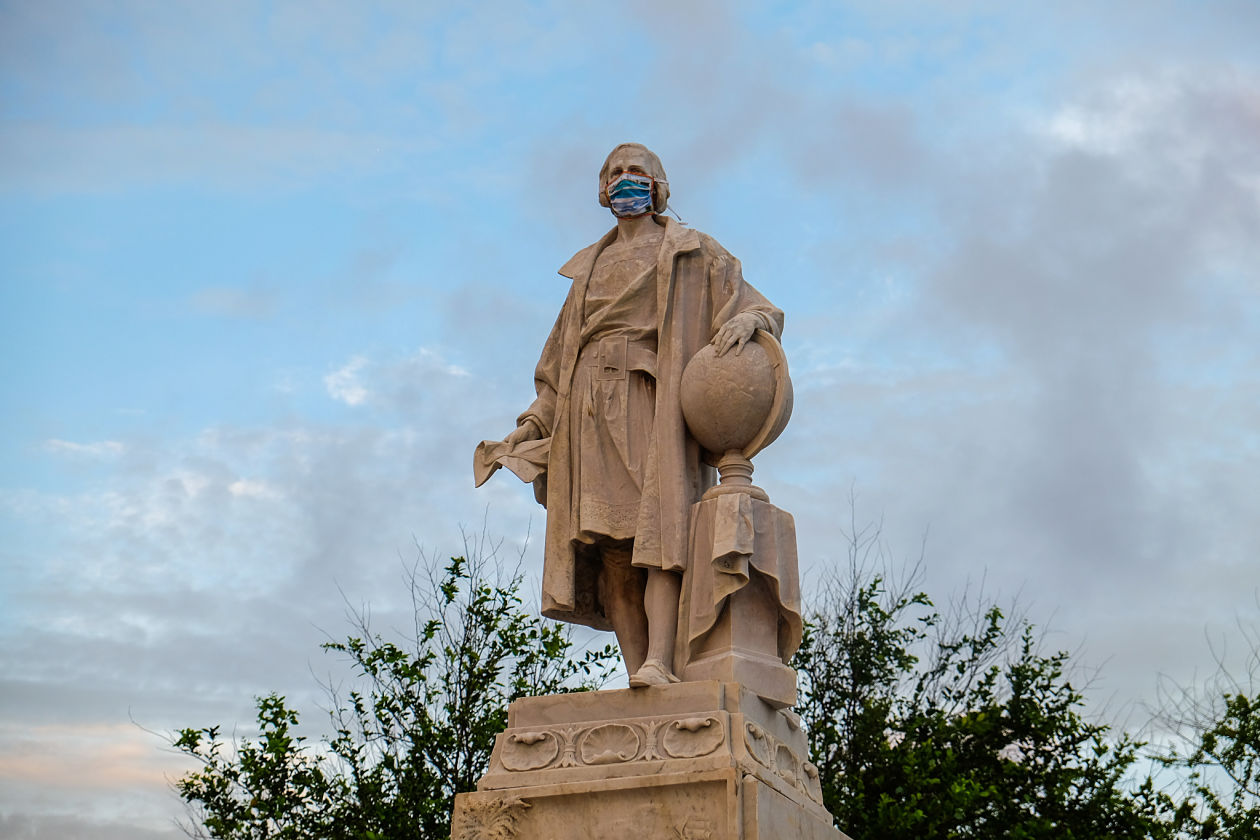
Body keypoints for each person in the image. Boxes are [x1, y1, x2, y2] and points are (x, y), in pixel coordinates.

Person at [480, 143, 783, 687]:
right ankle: (637, 667)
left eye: (637, 171)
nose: (625, 179)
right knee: (611, 547)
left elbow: (758, 304)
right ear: (602, 190)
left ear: (659, 185)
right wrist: (533, 423)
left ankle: (661, 661)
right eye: (615, 172)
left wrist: (751, 321)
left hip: (652, 402)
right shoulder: (587, 271)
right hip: (587, 412)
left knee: (659, 536)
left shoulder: (692, 251)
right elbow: (554, 368)